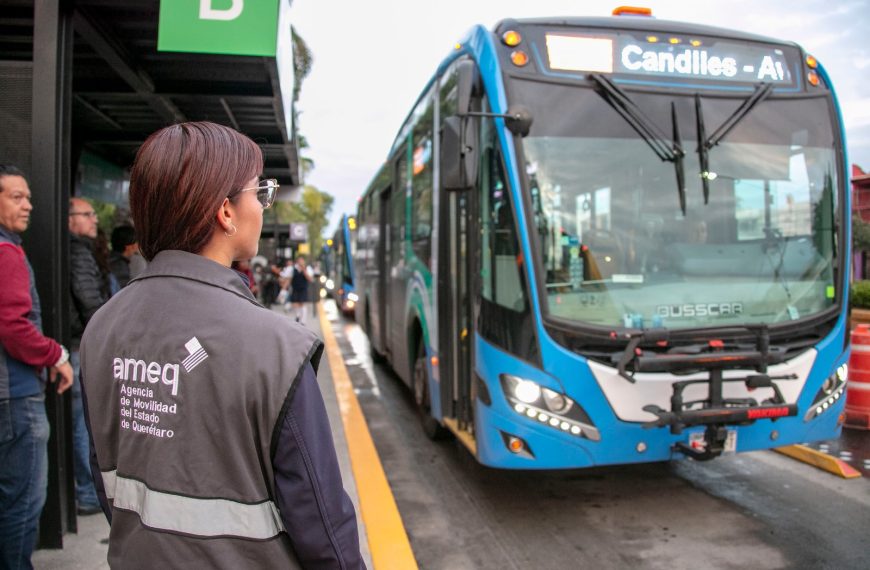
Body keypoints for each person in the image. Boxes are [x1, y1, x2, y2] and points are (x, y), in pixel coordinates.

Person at [79, 122, 364, 568]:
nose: (264, 206)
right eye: (259, 193)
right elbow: (324, 528)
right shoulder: (276, 349)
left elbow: (106, 480)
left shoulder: (102, 328)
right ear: (226, 212)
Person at [0, 165, 74, 569]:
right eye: (16, 197)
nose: (28, 205)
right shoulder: (6, 252)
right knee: (23, 503)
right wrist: (56, 355)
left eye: (28, 196)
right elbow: (13, 325)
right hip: (16, 395)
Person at [68, 197, 107, 515]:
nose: (95, 219)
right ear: (69, 220)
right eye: (87, 214)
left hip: (78, 343)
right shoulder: (78, 252)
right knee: (84, 422)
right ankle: (86, 492)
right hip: (80, 345)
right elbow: (88, 299)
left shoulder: (79, 250)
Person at [108, 224, 144, 288]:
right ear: (129, 247)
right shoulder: (119, 266)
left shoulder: (111, 259)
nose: (138, 246)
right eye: (136, 242)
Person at [289, 255, 314, 322]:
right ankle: (298, 316)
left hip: (303, 288)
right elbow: (289, 278)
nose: (300, 262)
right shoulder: (293, 269)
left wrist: (304, 270)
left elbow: (310, 279)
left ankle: (303, 320)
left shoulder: (307, 268)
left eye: (301, 260)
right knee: (295, 303)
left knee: (302, 303)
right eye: (299, 260)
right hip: (295, 288)